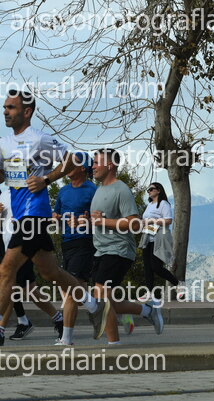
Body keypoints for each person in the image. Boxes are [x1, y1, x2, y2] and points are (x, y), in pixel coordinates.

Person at [0, 90, 109, 342]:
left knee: (6, 268)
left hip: (34, 214)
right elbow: (6, 176)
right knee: (50, 272)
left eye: (11, 107)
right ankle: (94, 305)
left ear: (27, 112)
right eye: (4, 107)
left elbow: (72, 159)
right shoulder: (4, 143)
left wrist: (46, 179)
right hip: (21, 215)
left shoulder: (39, 140)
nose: (5, 111)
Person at [73, 149, 164, 343]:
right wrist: (86, 221)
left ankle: (114, 346)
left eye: (97, 162)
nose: (92, 166)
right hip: (101, 250)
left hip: (119, 249)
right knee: (106, 302)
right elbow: (101, 221)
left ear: (110, 165)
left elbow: (135, 223)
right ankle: (148, 310)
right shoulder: (99, 190)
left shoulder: (121, 190)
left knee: (100, 299)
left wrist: (101, 222)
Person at [0, 187, 64, 343]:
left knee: (12, 285)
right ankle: (58, 318)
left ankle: (3, 328)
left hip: (23, 241)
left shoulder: (23, 187)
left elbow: (36, 209)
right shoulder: (3, 192)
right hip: (7, 244)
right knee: (28, 289)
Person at [52, 151, 99, 345]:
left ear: (83, 168)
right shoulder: (63, 191)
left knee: (72, 292)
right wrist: (57, 218)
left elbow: (101, 219)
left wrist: (86, 221)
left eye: (75, 162)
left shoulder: (93, 190)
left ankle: (66, 339)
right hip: (66, 243)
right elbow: (56, 215)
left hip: (84, 242)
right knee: (78, 295)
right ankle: (114, 313)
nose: (69, 165)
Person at [139, 182, 179, 300]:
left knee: (156, 266)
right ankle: (150, 292)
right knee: (147, 266)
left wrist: (152, 221)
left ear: (159, 190)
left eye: (151, 189)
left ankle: (177, 283)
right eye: (148, 190)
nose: (149, 191)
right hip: (147, 237)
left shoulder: (163, 204)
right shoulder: (149, 205)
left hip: (159, 238)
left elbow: (168, 220)